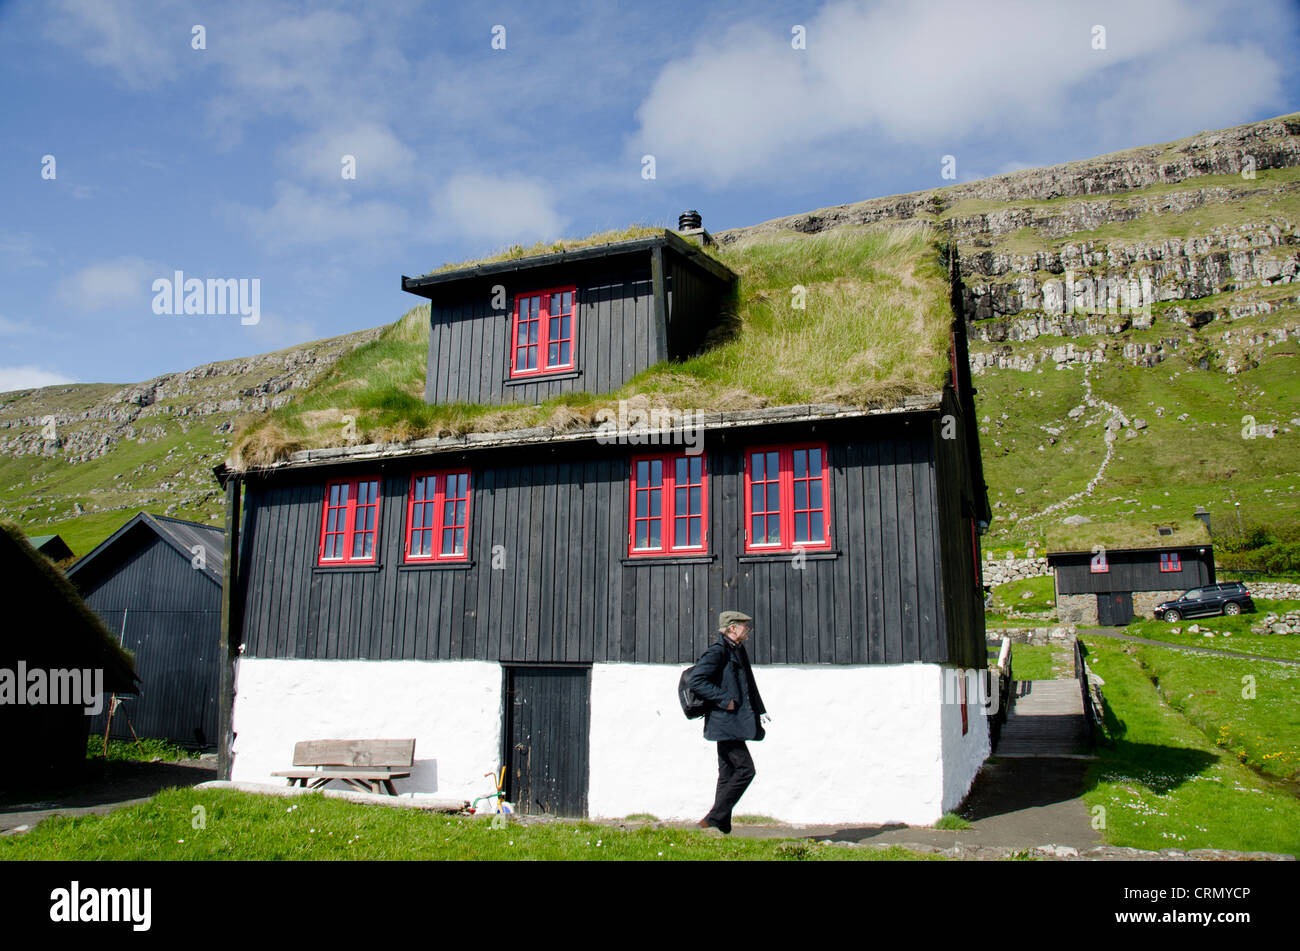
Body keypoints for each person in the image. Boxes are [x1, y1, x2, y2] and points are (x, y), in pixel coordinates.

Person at [688, 610, 768, 834]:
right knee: (745, 770)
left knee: (727, 773)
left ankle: (720, 825)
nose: (748, 629)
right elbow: (697, 680)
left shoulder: (737, 650)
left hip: (732, 722)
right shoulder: (718, 651)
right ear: (732, 628)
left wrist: (759, 711)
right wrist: (725, 700)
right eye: (744, 625)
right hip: (725, 722)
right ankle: (713, 818)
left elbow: (749, 684)